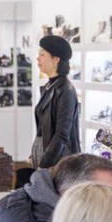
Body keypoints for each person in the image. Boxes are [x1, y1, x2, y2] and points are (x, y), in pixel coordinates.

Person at [31, 35, 80, 169]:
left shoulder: (65, 90)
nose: (38, 58)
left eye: (42, 55)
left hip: (58, 162)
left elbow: (61, 134)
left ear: (56, 59)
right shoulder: (49, 87)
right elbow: (42, 128)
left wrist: (44, 164)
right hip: (46, 156)